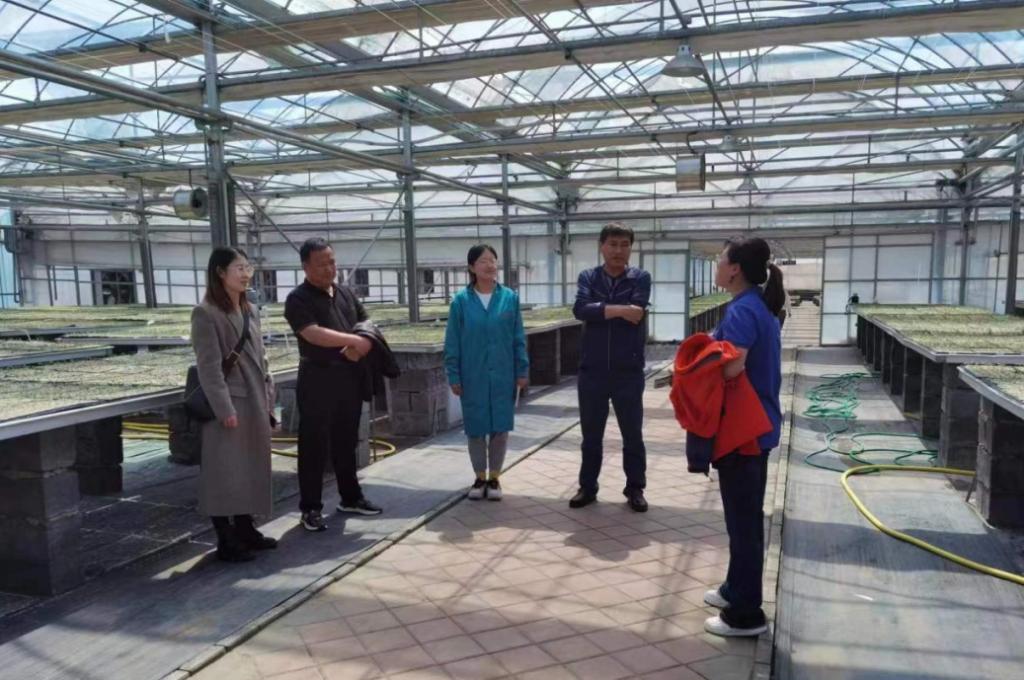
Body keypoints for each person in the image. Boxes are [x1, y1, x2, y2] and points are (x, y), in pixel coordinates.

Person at [703, 237, 785, 638]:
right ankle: (735, 589)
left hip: (745, 432)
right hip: (755, 428)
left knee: (744, 523)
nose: (717, 266)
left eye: (721, 260)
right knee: (743, 517)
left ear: (734, 269)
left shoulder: (742, 311)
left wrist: (697, 366)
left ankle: (746, 614)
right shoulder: (753, 305)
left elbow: (732, 368)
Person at [284, 237, 382, 533]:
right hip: (317, 378)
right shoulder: (298, 299)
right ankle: (311, 508)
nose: (329, 269)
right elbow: (312, 333)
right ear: (305, 267)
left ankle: (350, 497)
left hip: (349, 377)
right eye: (321, 264)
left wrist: (361, 346)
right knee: (314, 444)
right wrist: (352, 341)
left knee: (346, 440)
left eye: (332, 262)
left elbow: (366, 324)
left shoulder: (345, 293)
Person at [190, 247, 278, 562]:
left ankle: (245, 527)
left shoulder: (249, 309)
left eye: (247, 267)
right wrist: (224, 408)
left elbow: (261, 357)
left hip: (254, 398)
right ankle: (225, 537)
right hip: (231, 402)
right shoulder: (206, 313)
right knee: (224, 469)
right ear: (220, 272)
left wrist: (269, 398)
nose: (245, 274)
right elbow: (209, 367)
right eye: (238, 268)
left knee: (249, 466)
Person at [569, 222, 651, 513]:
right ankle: (587, 487)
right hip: (592, 370)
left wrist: (601, 309)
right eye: (613, 244)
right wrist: (620, 310)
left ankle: (635, 488)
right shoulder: (588, 276)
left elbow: (637, 313)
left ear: (631, 248)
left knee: (633, 434)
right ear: (602, 246)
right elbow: (580, 309)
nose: (618, 250)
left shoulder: (640, 278)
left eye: (624, 245)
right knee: (591, 435)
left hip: (628, 370)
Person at [444, 245, 529, 501]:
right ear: (472, 267)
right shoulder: (461, 301)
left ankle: (495, 479)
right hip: (473, 374)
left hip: (503, 373)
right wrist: (454, 375)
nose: (490, 265)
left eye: (493, 260)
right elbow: (452, 342)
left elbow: (518, 337)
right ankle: (479, 477)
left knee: (500, 427)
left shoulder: (509, 298)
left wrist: (522, 369)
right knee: (476, 427)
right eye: (483, 261)